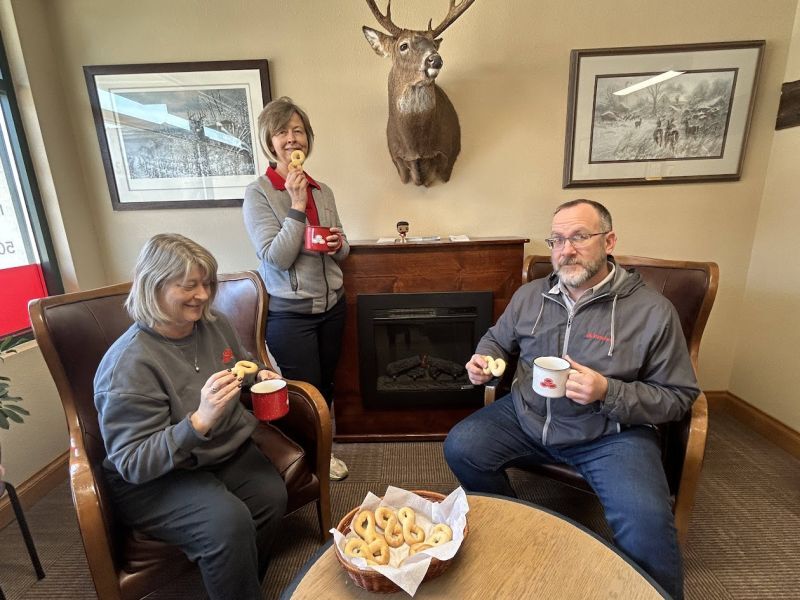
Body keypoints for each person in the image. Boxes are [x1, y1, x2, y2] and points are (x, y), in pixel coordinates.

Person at [443, 199, 698, 599]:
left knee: (647, 521)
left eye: (580, 236)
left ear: (609, 240)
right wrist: (485, 360)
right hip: (527, 417)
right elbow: (497, 338)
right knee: (461, 446)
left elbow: (679, 396)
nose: (566, 249)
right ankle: (519, 523)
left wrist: (607, 391)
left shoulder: (652, 312)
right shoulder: (530, 296)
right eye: (558, 239)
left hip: (610, 433)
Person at [94, 233, 287, 600]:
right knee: (227, 523)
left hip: (219, 453)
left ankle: (234, 582)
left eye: (206, 284)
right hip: (157, 478)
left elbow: (239, 368)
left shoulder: (214, 324)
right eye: (189, 286)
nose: (202, 295)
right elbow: (132, 462)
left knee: (270, 496)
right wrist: (199, 421)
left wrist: (258, 374)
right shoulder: (127, 365)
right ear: (154, 287)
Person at [243, 96, 350, 481]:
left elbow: (342, 249)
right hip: (290, 314)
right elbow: (277, 257)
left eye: (299, 131)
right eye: (282, 131)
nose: (292, 138)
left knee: (327, 386)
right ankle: (309, 461)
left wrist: (339, 244)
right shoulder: (258, 194)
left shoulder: (325, 191)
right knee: (304, 394)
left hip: (333, 306)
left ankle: (324, 450)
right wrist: (297, 204)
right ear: (269, 141)